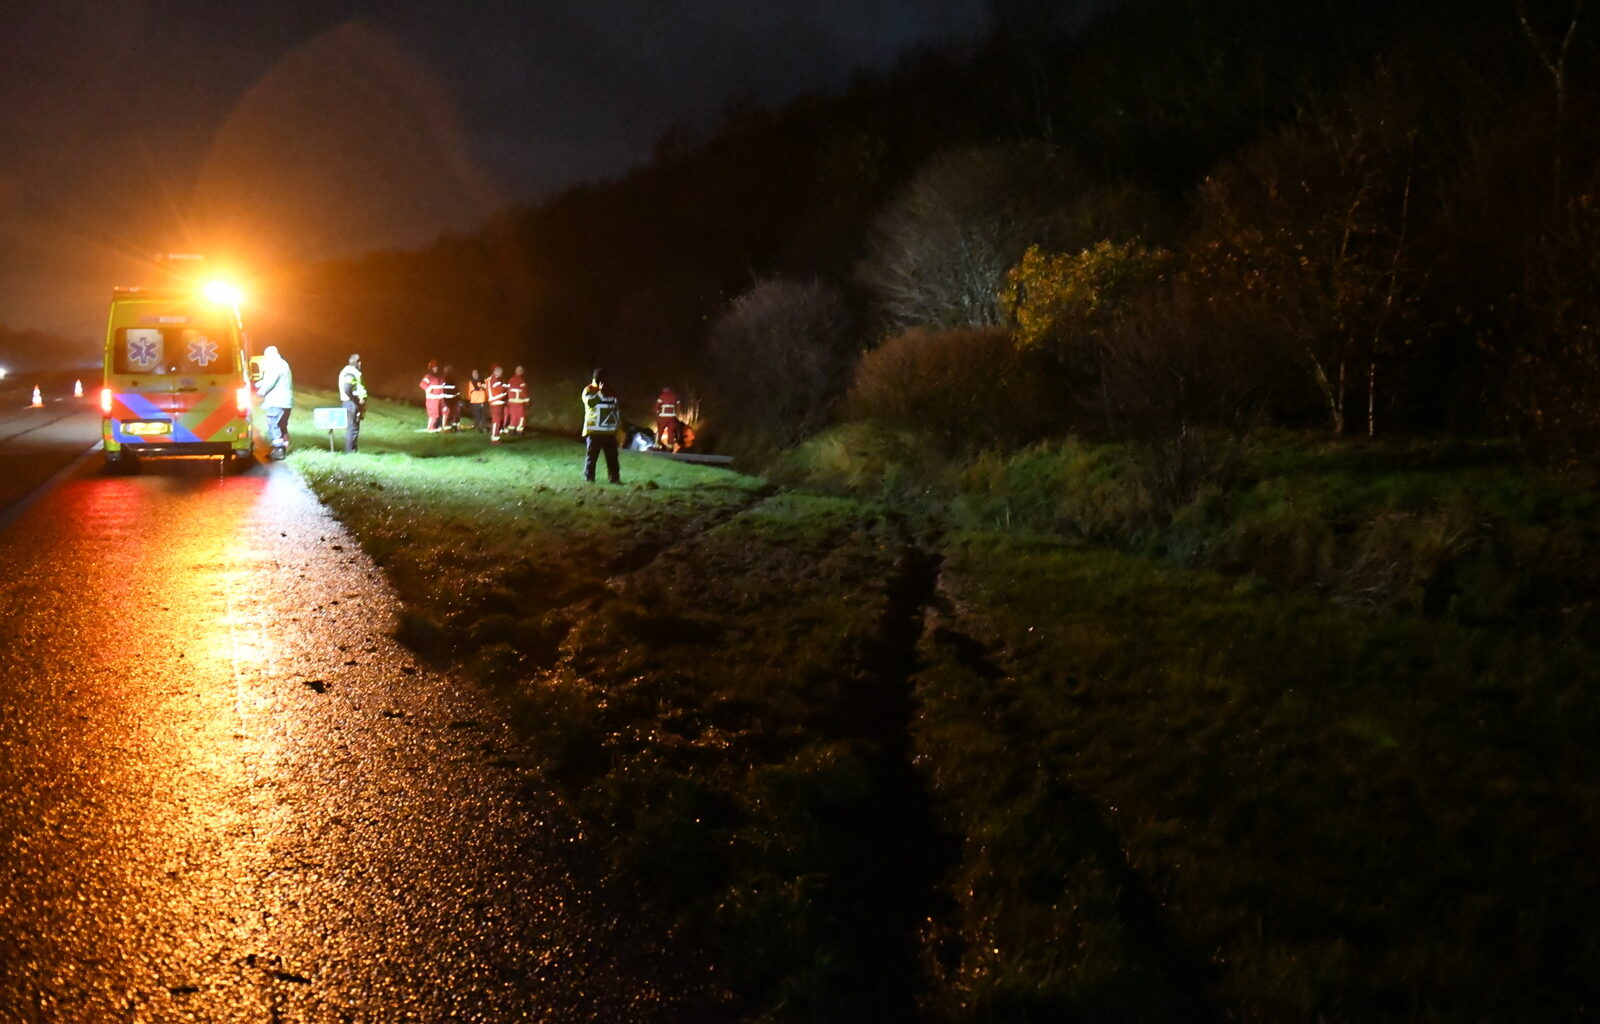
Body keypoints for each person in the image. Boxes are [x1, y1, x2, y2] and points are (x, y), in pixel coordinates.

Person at [581, 367, 621, 484]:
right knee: (592, 457)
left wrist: (617, 427)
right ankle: (589, 478)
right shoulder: (589, 390)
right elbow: (590, 403)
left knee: (612, 457)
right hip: (594, 431)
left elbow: (615, 408)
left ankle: (614, 478)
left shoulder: (611, 391)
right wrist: (600, 393)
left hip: (609, 431)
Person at [255, 344, 294, 460]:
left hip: (276, 401)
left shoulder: (275, 364)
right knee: (282, 425)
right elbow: (271, 379)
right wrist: (258, 383)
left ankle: (278, 450)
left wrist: (261, 391)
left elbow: (271, 381)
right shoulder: (283, 364)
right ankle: (283, 448)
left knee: (273, 425)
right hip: (286, 401)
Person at [337, 353, 367, 453]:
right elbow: (347, 387)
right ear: (358, 362)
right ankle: (351, 452)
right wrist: (356, 400)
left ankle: (350, 450)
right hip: (352, 404)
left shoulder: (345, 370)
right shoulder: (352, 372)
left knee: (351, 428)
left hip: (348, 403)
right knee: (353, 429)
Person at [486, 364, 509, 443]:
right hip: (496, 402)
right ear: (496, 371)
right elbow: (500, 389)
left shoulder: (492, 379)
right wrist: (505, 387)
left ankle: (496, 436)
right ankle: (494, 438)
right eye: (499, 372)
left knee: (497, 420)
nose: (500, 374)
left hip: (496, 402)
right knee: (496, 421)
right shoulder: (494, 379)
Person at [654, 386, 682, 452]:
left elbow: (656, 405)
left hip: (663, 416)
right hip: (672, 417)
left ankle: (657, 444)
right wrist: (676, 413)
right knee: (671, 432)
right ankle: (670, 446)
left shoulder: (662, 396)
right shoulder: (674, 396)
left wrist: (658, 412)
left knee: (660, 430)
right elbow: (679, 406)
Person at [419, 361, 445, 432]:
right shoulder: (428, 376)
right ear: (431, 368)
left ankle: (436, 427)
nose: (435, 369)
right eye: (434, 367)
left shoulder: (440, 377)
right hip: (432, 399)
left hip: (439, 399)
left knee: (440, 413)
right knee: (433, 414)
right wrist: (428, 389)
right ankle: (430, 428)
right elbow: (422, 384)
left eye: (436, 367)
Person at [506, 365, 530, 435]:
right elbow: (524, 392)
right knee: (521, 416)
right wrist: (527, 401)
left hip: (512, 402)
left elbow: (508, 390)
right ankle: (519, 430)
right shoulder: (521, 380)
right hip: (519, 401)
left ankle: (511, 430)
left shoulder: (510, 379)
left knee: (513, 416)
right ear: (521, 372)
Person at [440, 365, 460, 431]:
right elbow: (456, 389)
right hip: (451, 399)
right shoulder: (452, 378)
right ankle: (451, 426)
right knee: (452, 413)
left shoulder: (444, 378)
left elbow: (455, 389)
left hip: (447, 399)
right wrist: (458, 397)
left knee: (449, 413)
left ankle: (448, 426)